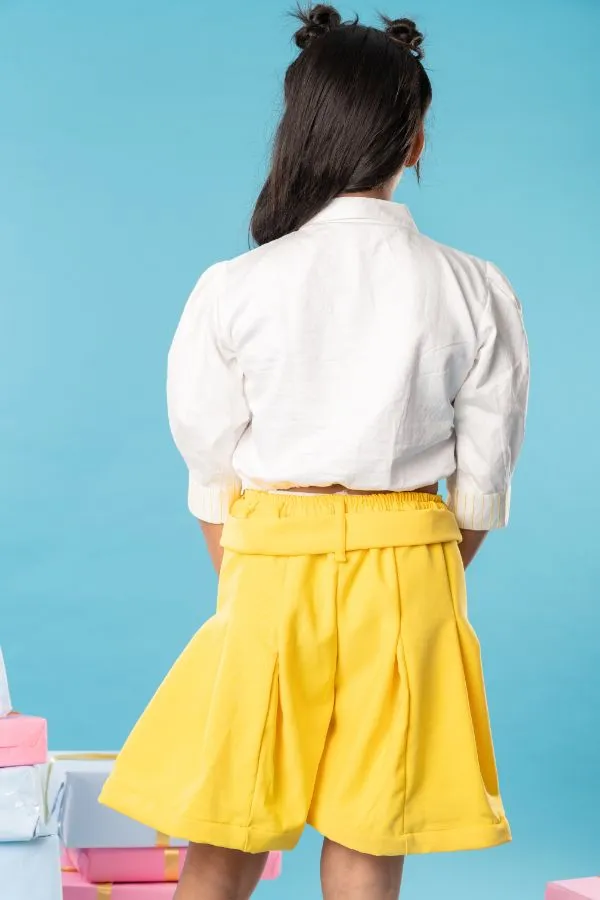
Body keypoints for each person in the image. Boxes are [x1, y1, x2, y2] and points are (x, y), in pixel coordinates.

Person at [99, 6, 530, 899]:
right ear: (412, 142)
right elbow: (481, 489)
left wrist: (253, 576)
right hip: (412, 565)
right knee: (370, 834)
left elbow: (211, 475)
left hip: (268, 566)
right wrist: (419, 565)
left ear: (302, 130)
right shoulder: (475, 287)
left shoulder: (235, 287)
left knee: (228, 825)